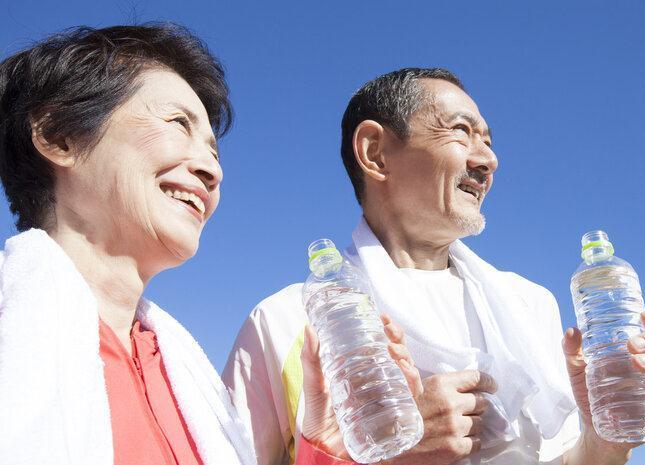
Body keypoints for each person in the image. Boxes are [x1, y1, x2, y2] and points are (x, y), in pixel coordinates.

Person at [223, 68, 645, 465]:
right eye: (461, 132)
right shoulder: (287, 323)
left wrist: (604, 442)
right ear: (375, 152)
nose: (488, 159)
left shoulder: (529, 306)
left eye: (488, 140)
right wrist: (377, 454)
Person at [0, 25, 420, 465]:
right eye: (178, 124)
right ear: (58, 136)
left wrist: (324, 451)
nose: (210, 172)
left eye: (214, 154)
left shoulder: (181, 374)